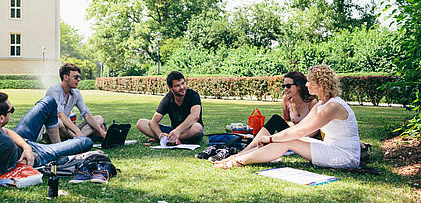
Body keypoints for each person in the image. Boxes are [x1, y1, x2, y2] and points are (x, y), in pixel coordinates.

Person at [215, 64, 361, 169]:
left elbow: (300, 131)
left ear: (320, 83)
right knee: (287, 139)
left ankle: (238, 161)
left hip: (345, 156)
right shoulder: (322, 104)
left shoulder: (333, 106)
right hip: (331, 149)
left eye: (309, 80)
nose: (306, 84)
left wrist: (271, 138)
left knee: (288, 141)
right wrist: (270, 139)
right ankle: (239, 157)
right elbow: (299, 128)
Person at [0, 92, 93, 178]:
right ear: (1, 118)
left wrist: (26, 146)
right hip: (35, 155)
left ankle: (57, 143)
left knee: (49, 101)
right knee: (85, 141)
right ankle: (58, 147)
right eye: (11, 110)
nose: (11, 112)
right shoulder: (3, 146)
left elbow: (7, 132)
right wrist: (28, 151)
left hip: (23, 144)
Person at [240, 71, 318, 154]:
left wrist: (297, 133)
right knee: (275, 119)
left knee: (276, 126)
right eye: (283, 86)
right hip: (294, 133)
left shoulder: (312, 102)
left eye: (288, 86)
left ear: (298, 86)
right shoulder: (286, 99)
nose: (285, 89)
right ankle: (249, 148)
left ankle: (251, 149)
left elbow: (317, 128)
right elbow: (286, 120)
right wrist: (292, 129)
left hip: (307, 136)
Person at [136, 71, 204, 144]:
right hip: (173, 131)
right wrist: (159, 135)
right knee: (141, 123)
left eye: (183, 83)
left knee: (197, 127)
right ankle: (167, 139)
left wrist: (177, 131)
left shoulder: (193, 95)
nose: (182, 87)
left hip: (188, 131)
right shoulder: (168, 99)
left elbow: (195, 116)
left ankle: (171, 139)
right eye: (177, 85)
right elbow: (154, 121)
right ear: (170, 87)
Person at [46, 63, 106, 141]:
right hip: (54, 128)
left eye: (79, 77)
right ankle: (78, 138)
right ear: (65, 77)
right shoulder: (54, 91)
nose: (79, 79)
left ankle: (77, 139)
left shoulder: (76, 93)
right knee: (59, 122)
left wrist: (102, 133)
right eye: (76, 77)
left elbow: (86, 114)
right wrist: (77, 131)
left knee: (99, 119)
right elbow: (60, 115)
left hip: (68, 129)